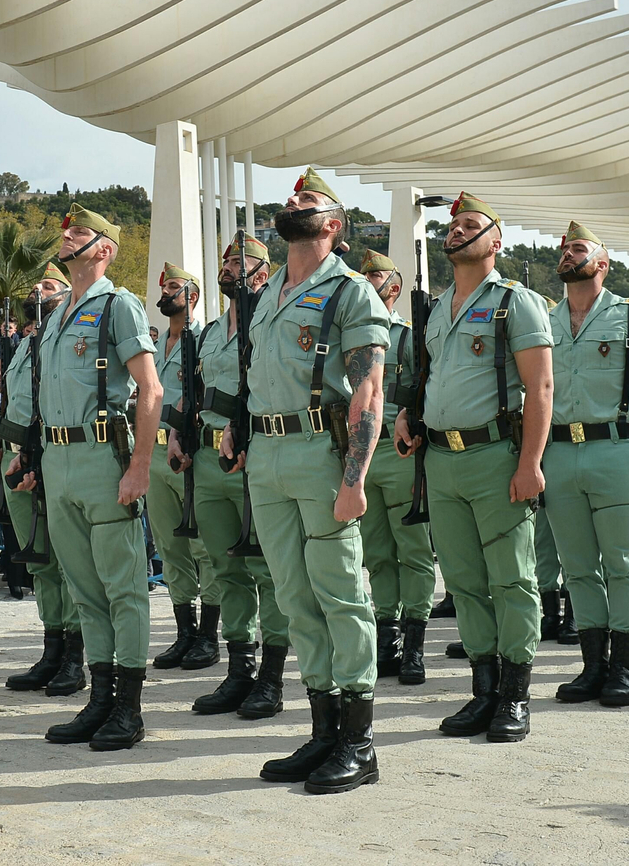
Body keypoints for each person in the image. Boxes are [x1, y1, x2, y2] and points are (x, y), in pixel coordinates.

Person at [222, 170, 387, 793]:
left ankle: (360, 741)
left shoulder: (350, 294)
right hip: (268, 455)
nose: (294, 204)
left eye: (308, 201)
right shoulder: (267, 295)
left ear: (333, 225)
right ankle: (323, 732)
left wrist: (356, 478)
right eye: (292, 199)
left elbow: (368, 393)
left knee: (341, 592)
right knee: (293, 596)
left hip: (322, 453)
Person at [394, 193, 551, 746]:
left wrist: (530, 461)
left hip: (495, 457)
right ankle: (483, 689)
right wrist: (409, 416)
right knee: (463, 582)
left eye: (469, 225)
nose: (456, 231)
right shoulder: (436, 309)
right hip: (441, 459)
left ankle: (514, 695)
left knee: (511, 578)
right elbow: (430, 379)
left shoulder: (516, 302)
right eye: (452, 225)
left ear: (496, 241)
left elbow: (541, 387)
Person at [12, 205, 161, 752]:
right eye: (66, 229)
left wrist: (140, 467)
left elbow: (151, 390)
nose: (66, 236)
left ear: (103, 249)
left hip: (104, 459)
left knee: (123, 589)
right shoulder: (55, 315)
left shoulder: (119, 306)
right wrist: (33, 460)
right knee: (84, 589)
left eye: (79, 232)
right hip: (59, 460)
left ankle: (129, 707)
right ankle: (99, 699)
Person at [537, 223, 629, 709]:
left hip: (615, 447)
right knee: (577, 566)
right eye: (564, 247)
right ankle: (592, 665)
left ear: (602, 261)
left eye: (578, 248)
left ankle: (623, 667)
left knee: (622, 561)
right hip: (556, 450)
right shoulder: (543, 318)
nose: (567, 253)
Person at [185, 235, 292, 719]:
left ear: (263, 274)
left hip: (252, 458)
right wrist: (177, 434)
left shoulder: (269, 323)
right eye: (226, 262)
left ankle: (271, 677)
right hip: (209, 463)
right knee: (225, 567)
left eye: (241, 262)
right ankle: (239, 670)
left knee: (267, 570)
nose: (230, 269)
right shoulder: (208, 332)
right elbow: (199, 390)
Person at [0, 264, 85, 695]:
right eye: (38, 284)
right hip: (15, 459)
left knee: (68, 562)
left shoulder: (58, 343)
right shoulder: (25, 345)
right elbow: (17, 403)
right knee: (39, 559)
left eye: (49, 285)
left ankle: (74, 654)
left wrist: (34, 458)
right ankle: (51, 650)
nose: (38, 290)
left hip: (46, 458)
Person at [354, 249, 434, 686]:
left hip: (402, 454)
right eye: (364, 276)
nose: (368, 281)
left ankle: (415, 645)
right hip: (364, 454)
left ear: (395, 288)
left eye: (377, 276)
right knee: (378, 554)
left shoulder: (409, 336)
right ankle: (388, 639)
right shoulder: (354, 335)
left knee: (415, 552)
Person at [146, 262, 221, 671]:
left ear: (191, 295)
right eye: (165, 286)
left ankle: (209, 635)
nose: (167, 292)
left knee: (202, 546)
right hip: (155, 455)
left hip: (189, 454)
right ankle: (184, 632)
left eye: (175, 286)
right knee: (169, 546)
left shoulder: (203, 341)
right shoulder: (155, 346)